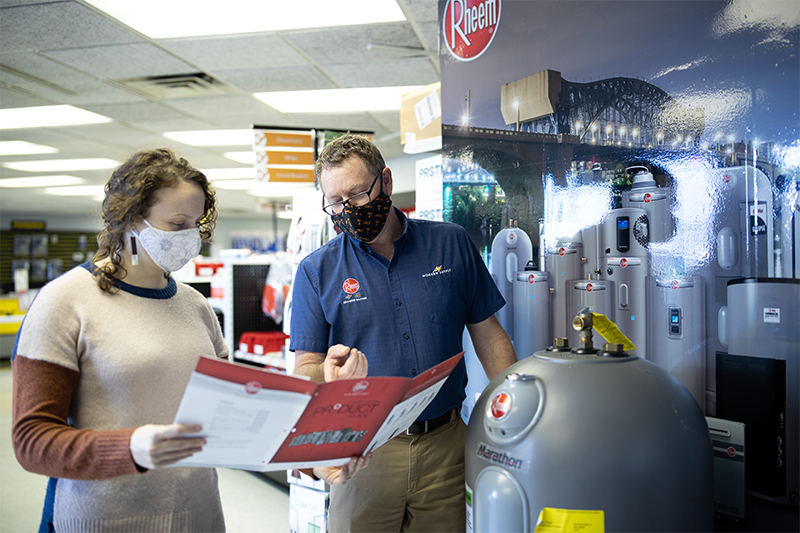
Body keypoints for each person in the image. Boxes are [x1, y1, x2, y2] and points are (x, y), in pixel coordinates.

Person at [11, 148, 368, 533]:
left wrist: (312, 462)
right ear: (130, 219)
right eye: (176, 222)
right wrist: (131, 448)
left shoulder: (194, 306)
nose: (188, 237)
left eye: (195, 224)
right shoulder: (64, 301)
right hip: (102, 520)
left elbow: (237, 422)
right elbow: (32, 440)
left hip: (198, 516)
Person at [290, 134, 518, 532]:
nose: (348, 210)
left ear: (387, 182)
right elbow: (305, 369)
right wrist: (326, 370)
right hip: (365, 452)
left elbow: (488, 334)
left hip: (446, 447)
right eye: (336, 202)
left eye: (358, 195)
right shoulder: (316, 271)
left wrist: (513, 410)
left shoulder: (450, 243)